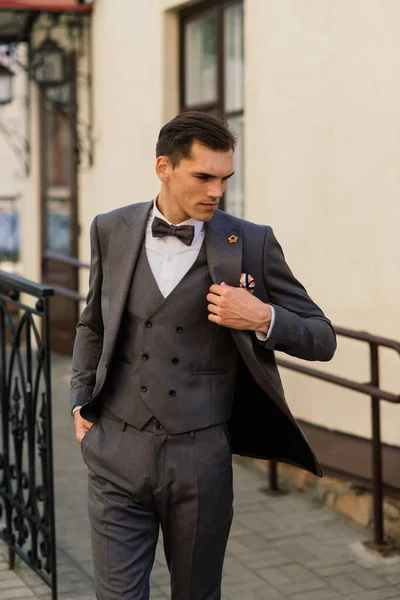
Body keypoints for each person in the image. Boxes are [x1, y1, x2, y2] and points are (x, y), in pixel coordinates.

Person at [71, 111, 336, 600]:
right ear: (163, 168)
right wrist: (79, 401)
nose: (217, 191)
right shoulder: (112, 229)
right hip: (115, 448)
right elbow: (93, 322)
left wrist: (261, 318)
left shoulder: (250, 242)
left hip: (200, 456)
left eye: (225, 179)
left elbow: (322, 337)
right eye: (204, 177)